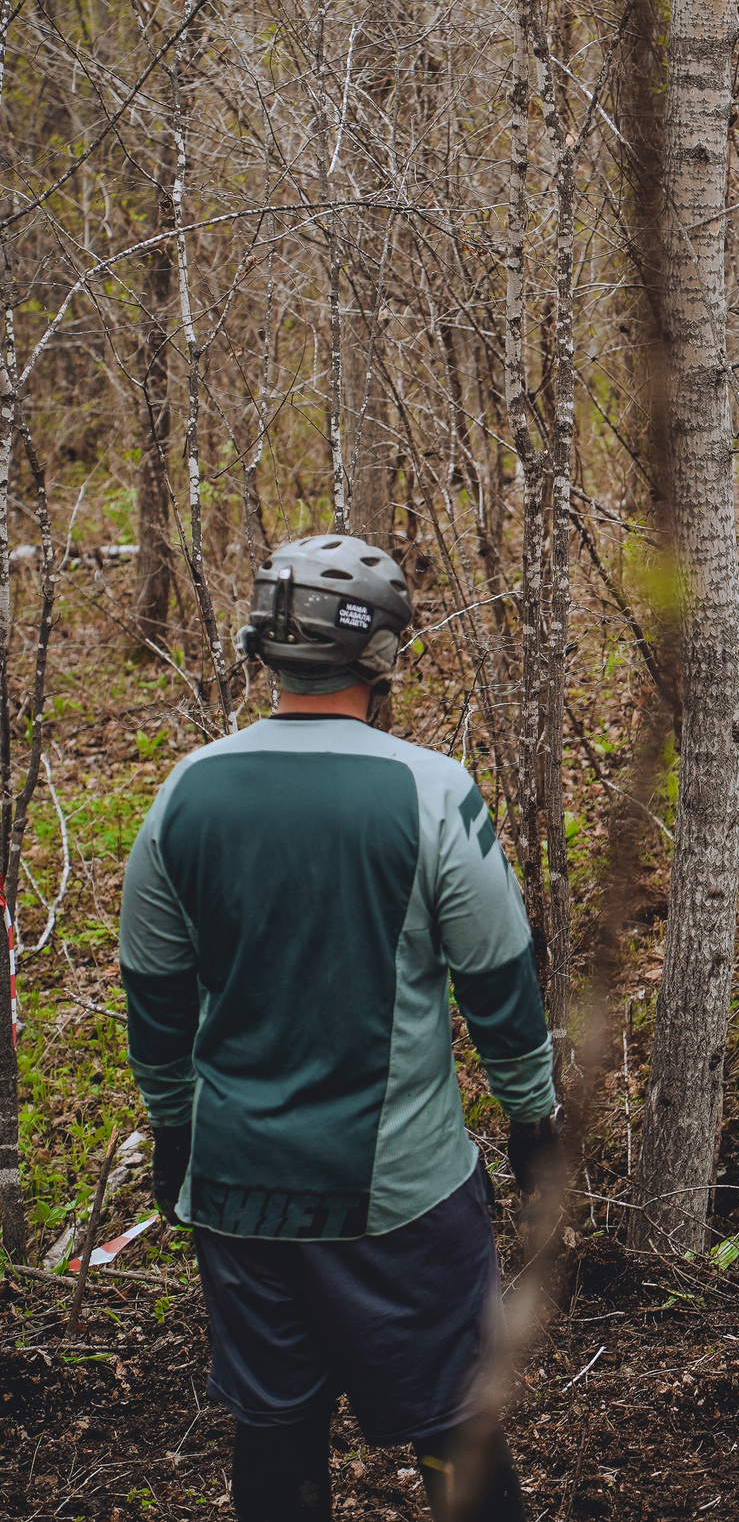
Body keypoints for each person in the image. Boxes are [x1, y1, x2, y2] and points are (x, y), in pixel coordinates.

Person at [118, 535, 562, 1522]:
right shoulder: (433, 789)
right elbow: (497, 976)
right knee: (457, 1426)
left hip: (238, 1192)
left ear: (266, 645)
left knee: (275, 1433)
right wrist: (532, 1116)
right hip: (400, 1195)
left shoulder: (185, 791)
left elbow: (154, 989)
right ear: (381, 655)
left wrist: (176, 1133)